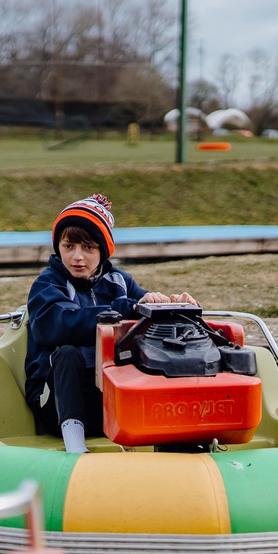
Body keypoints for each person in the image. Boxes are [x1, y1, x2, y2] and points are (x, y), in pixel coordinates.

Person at [24, 194, 197, 453]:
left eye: (88, 248)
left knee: (155, 347)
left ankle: (179, 435)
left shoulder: (120, 282)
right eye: (68, 246)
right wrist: (122, 310)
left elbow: (145, 312)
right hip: (55, 401)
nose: (77, 257)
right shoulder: (48, 284)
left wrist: (174, 307)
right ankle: (74, 446)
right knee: (67, 352)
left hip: (109, 397)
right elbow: (55, 326)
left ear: (103, 250)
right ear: (58, 247)